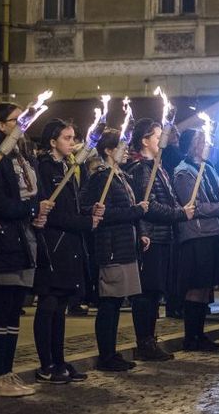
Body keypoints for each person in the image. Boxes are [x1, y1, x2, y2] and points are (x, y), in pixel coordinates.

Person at [0, 103, 52, 396]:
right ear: (1, 125)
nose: (23, 124)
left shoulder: (23, 156)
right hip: (2, 240)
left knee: (13, 312)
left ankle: (7, 372)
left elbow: (34, 194)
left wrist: (39, 209)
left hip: (23, 238)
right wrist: (31, 207)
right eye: (17, 120)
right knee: (2, 308)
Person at [125, 118, 192, 362]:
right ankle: (144, 343)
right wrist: (179, 214)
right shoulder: (143, 169)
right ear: (144, 140)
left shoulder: (157, 166)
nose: (161, 141)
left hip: (163, 237)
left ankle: (150, 339)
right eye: (156, 136)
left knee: (155, 294)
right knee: (147, 294)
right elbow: (147, 206)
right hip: (152, 237)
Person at [33, 119, 94, 384]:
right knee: (48, 305)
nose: (72, 142)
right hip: (53, 244)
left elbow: (72, 206)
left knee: (60, 308)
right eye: (67, 138)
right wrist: (84, 223)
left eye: (73, 137)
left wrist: (90, 213)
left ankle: (59, 359)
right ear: (52, 141)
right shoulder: (45, 167)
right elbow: (53, 212)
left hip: (69, 244)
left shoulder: (67, 166)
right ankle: (45, 363)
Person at [82, 129, 148, 372]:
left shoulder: (121, 176)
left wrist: (140, 230)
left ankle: (112, 352)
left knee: (118, 301)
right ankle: (106, 355)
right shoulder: (101, 177)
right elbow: (97, 210)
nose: (127, 151)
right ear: (109, 151)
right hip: (111, 246)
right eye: (121, 147)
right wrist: (135, 212)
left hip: (125, 245)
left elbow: (131, 207)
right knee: (109, 303)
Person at [173, 127, 219, 352]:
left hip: (212, 233)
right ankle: (190, 337)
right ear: (193, 145)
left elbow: (213, 196)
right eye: (203, 142)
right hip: (196, 234)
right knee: (195, 286)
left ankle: (200, 335)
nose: (208, 145)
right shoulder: (184, 173)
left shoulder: (207, 169)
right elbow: (193, 206)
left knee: (205, 287)